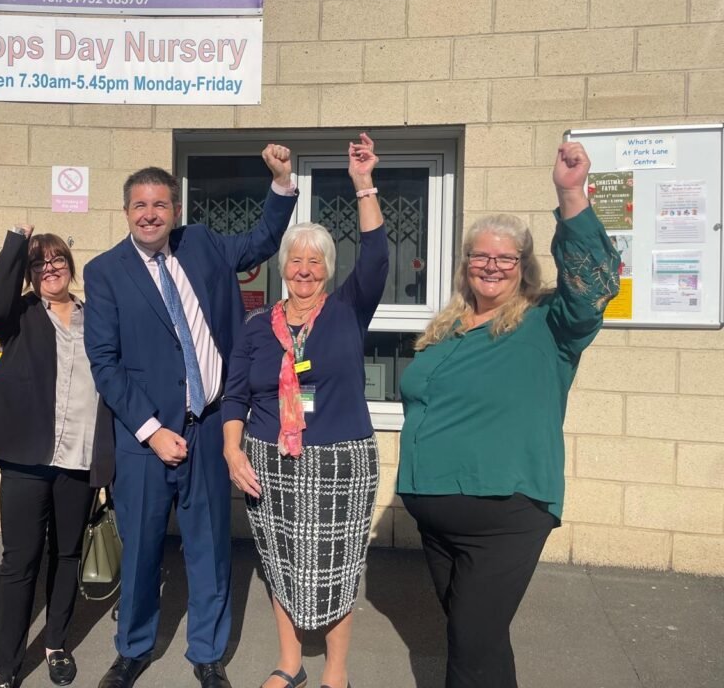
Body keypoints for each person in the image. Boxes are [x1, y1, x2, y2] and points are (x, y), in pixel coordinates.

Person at [396, 142, 621, 688]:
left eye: (504, 258)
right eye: (480, 255)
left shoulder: (550, 323)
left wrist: (570, 193)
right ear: (465, 263)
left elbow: (596, 283)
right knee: (482, 645)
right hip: (434, 513)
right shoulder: (445, 329)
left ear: (523, 267)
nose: (491, 266)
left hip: (505, 512)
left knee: (468, 651)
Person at [83, 147, 299, 688]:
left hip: (208, 427)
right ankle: (132, 649)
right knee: (141, 551)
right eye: (139, 205)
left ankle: (207, 653)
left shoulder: (201, 244)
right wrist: (152, 432)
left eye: (160, 203)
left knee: (209, 549)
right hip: (146, 437)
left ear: (175, 209)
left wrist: (280, 182)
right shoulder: (105, 272)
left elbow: (262, 242)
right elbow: (105, 364)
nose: (150, 213)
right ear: (126, 212)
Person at [222, 134, 387, 688]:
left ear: (328, 269)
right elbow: (237, 395)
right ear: (283, 268)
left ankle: (335, 673)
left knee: (336, 568)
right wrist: (230, 449)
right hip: (270, 460)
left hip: (341, 460)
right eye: (296, 261)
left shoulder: (346, 311)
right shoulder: (256, 328)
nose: (305, 270)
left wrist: (364, 184)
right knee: (281, 564)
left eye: (316, 262)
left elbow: (379, 254)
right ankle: (289, 664)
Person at [0, 224, 114, 688]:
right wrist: (16, 241)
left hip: (78, 459)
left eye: (57, 260)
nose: (50, 268)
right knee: (20, 562)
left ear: (70, 268)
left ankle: (56, 642)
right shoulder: (19, 314)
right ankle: (7, 664)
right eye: (39, 263)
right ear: (30, 275)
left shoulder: (95, 317)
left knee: (67, 554)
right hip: (26, 459)